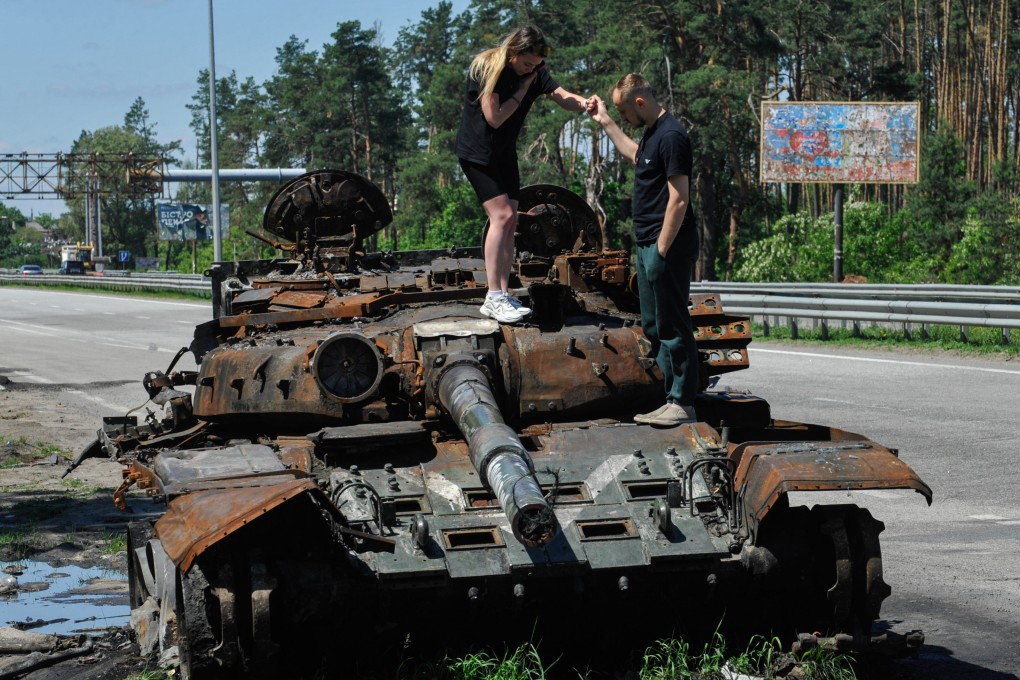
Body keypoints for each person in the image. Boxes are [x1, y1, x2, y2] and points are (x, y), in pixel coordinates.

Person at [455, 25, 592, 323]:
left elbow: (561, 95)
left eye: (536, 64)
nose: (532, 69)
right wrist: (521, 91)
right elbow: (494, 117)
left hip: (504, 153)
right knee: (501, 217)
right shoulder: (488, 67)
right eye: (527, 63)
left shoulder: (536, 70)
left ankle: (502, 294)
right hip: (477, 152)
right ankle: (492, 296)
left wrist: (584, 104)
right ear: (513, 52)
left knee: (511, 219)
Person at [589, 74, 700, 427]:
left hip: (666, 243)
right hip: (649, 242)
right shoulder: (652, 134)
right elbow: (635, 154)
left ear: (640, 102)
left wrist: (662, 250)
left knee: (672, 324)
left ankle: (683, 402)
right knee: (653, 325)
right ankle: (670, 397)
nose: (624, 118)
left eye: (623, 111)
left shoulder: (671, 135)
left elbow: (679, 198)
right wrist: (605, 120)